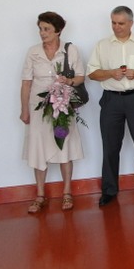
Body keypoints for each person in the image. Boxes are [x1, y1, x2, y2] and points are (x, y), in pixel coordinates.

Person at [87, 6, 134, 206]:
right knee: (110, 146)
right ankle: (109, 190)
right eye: (113, 22)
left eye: (121, 23)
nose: (116, 27)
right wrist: (110, 73)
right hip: (111, 100)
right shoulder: (102, 45)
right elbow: (92, 73)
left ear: (131, 23)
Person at [20, 11, 84, 213]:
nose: (42, 33)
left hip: (62, 106)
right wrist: (24, 110)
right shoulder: (33, 52)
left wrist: (69, 81)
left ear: (58, 30)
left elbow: (81, 77)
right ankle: (40, 195)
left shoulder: (70, 50)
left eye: (47, 29)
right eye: (40, 29)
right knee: (37, 149)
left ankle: (67, 193)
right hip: (38, 109)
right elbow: (26, 83)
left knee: (64, 146)